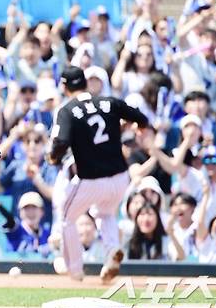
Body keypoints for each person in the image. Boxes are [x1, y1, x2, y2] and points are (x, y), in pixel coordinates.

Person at [48, 66, 149, 281]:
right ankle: (112, 250)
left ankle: (75, 269)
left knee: (67, 219)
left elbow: (61, 141)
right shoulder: (109, 102)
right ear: (85, 83)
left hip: (90, 179)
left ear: (65, 87)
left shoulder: (67, 110)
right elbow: (141, 117)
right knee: (106, 213)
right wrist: (128, 128)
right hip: (120, 177)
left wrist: (53, 158)